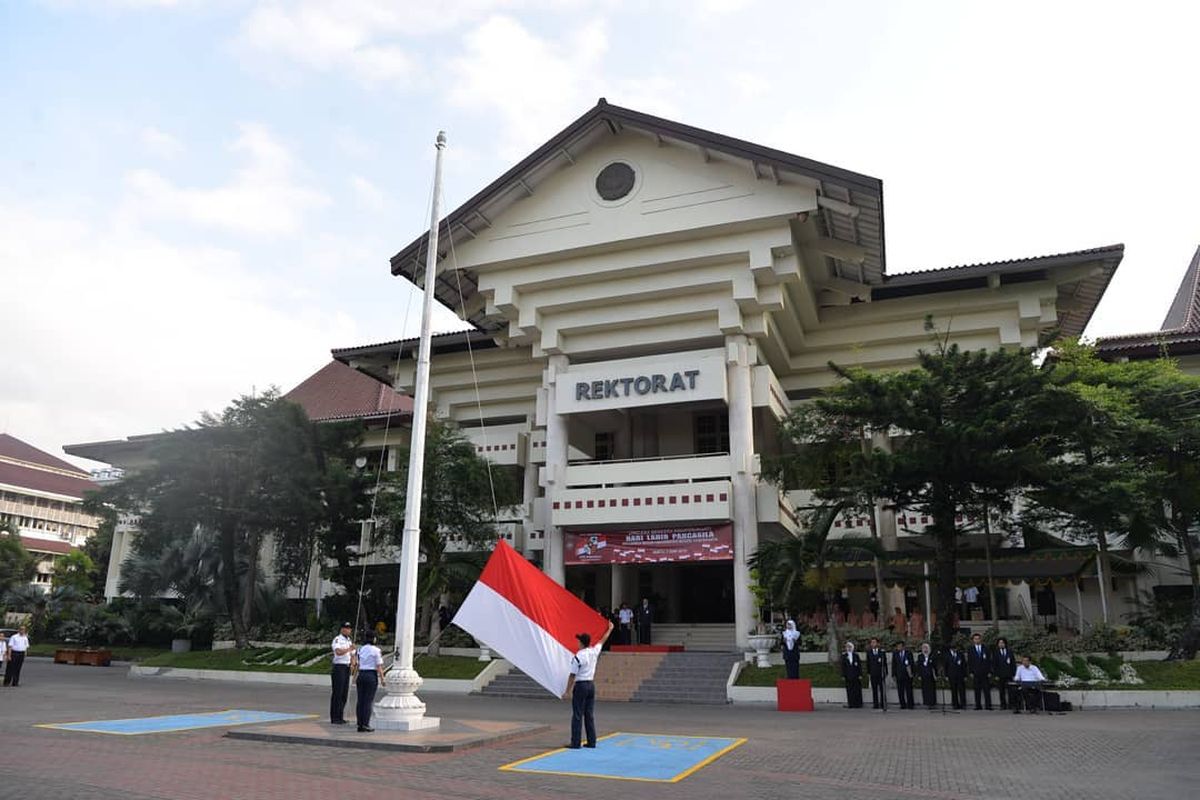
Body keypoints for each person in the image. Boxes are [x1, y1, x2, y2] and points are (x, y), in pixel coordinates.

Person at [563, 621, 615, 748]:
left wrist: (567, 690)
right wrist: (610, 629)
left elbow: (572, 675)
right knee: (589, 714)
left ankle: (576, 742)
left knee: (577, 715)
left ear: (581, 643)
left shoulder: (578, 656)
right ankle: (592, 741)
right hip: (590, 684)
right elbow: (603, 640)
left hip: (580, 685)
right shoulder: (593, 651)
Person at [354, 631, 385, 732]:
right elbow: (379, 666)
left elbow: (357, 665)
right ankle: (365, 724)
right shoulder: (376, 650)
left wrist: (354, 677)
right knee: (368, 701)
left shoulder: (360, 649)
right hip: (371, 675)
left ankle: (359, 723)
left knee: (360, 701)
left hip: (361, 675)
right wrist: (382, 679)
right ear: (374, 639)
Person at [329, 622, 355, 725]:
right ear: (342, 629)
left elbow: (353, 654)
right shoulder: (337, 639)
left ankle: (340, 716)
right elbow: (338, 652)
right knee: (337, 693)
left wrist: (353, 662)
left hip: (346, 668)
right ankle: (335, 717)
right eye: (345, 628)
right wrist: (349, 649)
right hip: (339, 667)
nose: (347, 630)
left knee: (344, 693)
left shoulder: (349, 640)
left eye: (349, 628)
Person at [967, 632, 993, 710]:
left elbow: (989, 661)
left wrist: (990, 671)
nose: (977, 640)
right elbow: (970, 661)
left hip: (985, 672)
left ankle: (988, 705)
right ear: (973, 640)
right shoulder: (970, 649)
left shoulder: (986, 648)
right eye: (975, 639)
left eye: (978, 638)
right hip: (976, 672)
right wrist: (971, 672)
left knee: (986, 690)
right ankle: (978, 705)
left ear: (981, 639)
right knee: (977, 690)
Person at [992, 637, 1017, 710]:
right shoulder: (996, 653)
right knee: (1001, 691)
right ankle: (1003, 705)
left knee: (1010, 691)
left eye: (1002, 643)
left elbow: (1013, 663)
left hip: (1009, 674)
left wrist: (1013, 673)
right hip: (1000, 675)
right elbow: (994, 665)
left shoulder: (1009, 652)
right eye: (1000, 643)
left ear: (1005, 644)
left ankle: (1011, 704)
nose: (1001, 644)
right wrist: (996, 674)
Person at [865, 636, 888, 709]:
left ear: (877, 643)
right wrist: (868, 672)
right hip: (873, 673)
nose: (873, 644)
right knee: (874, 689)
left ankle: (883, 703)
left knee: (882, 689)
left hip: (880, 673)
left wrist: (885, 672)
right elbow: (868, 663)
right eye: (872, 642)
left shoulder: (882, 652)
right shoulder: (869, 652)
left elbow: (885, 663)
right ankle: (875, 704)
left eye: (874, 642)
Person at [943, 643, 967, 710]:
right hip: (951, 675)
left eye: (956, 648)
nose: (955, 650)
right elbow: (945, 666)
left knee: (961, 690)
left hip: (960, 675)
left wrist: (965, 675)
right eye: (953, 648)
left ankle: (963, 704)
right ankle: (955, 704)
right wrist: (946, 675)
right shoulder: (947, 655)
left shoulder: (960, 654)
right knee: (954, 690)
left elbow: (964, 665)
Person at [892, 641, 915, 709]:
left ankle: (910, 704)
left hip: (907, 674)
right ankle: (902, 704)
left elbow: (912, 663)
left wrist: (913, 673)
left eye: (900, 646)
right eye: (898, 646)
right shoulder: (895, 654)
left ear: (903, 646)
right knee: (900, 691)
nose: (899, 647)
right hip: (899, 675)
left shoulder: (908, 653)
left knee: (909, 690)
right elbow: (894, 665)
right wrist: (893, 674)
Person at [841, 640, 863, 708]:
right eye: (847, 647)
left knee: (857, 690)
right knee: (849, 690)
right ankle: (851, 703)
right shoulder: (844, 656)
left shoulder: (856, 655)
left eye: (850, 647)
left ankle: (858, 704)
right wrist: (843, 675)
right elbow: (843, 666)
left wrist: (860, 674)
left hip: (856, 676)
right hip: (848, 676)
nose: (848, 648)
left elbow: (859, 666)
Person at [917, 643, 938, 709]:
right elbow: (919, 666)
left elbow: (935, 666)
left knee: (931, 689)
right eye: (924, 648)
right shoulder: (920, 656)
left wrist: (936, 675)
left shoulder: (932, 656)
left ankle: (932, 703)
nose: (925, 649)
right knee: (925, 689)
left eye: (926, 648)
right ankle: (926, 702)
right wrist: (919, 675)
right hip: (924, 675)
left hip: (931, 675)